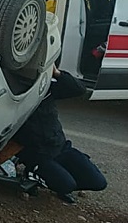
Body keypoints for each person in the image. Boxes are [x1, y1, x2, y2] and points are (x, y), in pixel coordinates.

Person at [13, 68, 107, 204]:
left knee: (98, 182)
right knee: (66, 185)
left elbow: (79, 89)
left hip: (61, 147)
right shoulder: (13, 96)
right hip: (38, 156)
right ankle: (33, 176)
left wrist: (57, 73)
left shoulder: (45, 89)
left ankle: (56, 179)